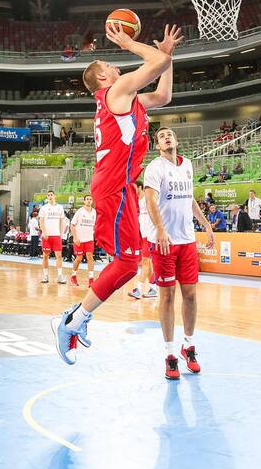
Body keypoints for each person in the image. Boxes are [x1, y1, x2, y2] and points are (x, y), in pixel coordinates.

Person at [52, 23, 182, 364]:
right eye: (107, 66)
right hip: (113, 186)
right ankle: (73, 319)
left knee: (128, 263)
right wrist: (130, 43)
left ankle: (75, 317)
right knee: (127, 262)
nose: (113, 64)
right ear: (101, 79)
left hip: (118, 185)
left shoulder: (129, 98)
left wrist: (167, 55)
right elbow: (152, 63)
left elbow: (164, 95)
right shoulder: (116, 91)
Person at [143, 127, 215, 380]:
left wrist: (205, 224)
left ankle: (189, 346)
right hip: (164, 242)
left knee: (191, 295)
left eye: (170, 134)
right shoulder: (154, 168)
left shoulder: (188, 166)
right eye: (161, 136)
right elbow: (150, 200)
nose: (166, 137)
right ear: (157, 145)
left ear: (177, 140)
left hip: (186, 241)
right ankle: (170, 354)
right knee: (167, 297)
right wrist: (160, 230)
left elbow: (189, 199)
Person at [129, 182, 159, 300]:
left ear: (140, 187)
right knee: (148, 262)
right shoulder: (134, 202)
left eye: (134, 188)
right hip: (141, 235)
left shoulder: (148, 199)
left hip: (151, 235)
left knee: (146, 261)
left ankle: (138, 289)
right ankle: (153, 288)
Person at [38, 190, 69, 284]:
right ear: (47, 197)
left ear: (54, 196)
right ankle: (45, 275)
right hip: (46, 236)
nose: (50, 196)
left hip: (56, 235)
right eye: (48, 195)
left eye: (51, 195)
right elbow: (41, 221)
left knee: (59, 256)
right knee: (45, 256)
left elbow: (61, 221)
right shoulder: (44, 208)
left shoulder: (60, 207)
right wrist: (44, 232)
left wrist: (61, 233)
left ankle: (60, 276)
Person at [69, 194, 97, 287]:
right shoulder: (79, 212)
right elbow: (72, 225)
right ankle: (73, 276)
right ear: (84, 201)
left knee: (90, 257)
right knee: (79, 258)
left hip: (89, 239)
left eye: (90, 199)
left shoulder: (94, 212)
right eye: (87, 199)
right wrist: (75, 237)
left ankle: (91, 279)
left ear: (92, 201)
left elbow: (96, 225)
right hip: (79, 239)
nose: (89, 201)